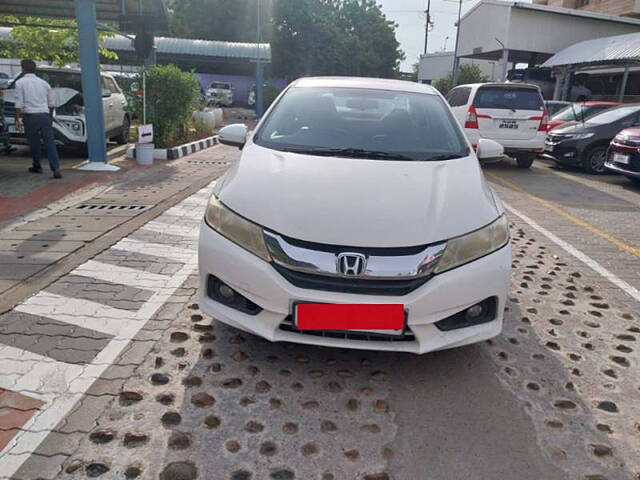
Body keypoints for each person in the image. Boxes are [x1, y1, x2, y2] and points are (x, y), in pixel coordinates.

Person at [14, 59, 62, 179]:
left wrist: (17, 119)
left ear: (23, 69)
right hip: (44, 115)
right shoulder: (44, 84)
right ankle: (56, 168)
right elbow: (51, 103)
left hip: (30, 116)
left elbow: (19, 103)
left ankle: (37, 165)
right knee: (50, 142)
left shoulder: (20, 83)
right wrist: (49, 117)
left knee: (34, 142)